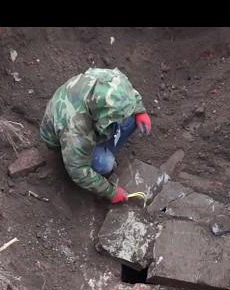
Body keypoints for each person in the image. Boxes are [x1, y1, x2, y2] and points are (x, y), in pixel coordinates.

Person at [39, 68, 152, 204]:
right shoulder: (76, 130)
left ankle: (107, 145)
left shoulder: (103, 82)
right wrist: (111, 192)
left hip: (86, 119)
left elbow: (124, 92)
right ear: (104, 116)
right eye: (118, 116)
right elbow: (78, 170)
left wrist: (140, 110)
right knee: (106, 164)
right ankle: (103, 154)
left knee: (132, 118)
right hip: (68, 140)